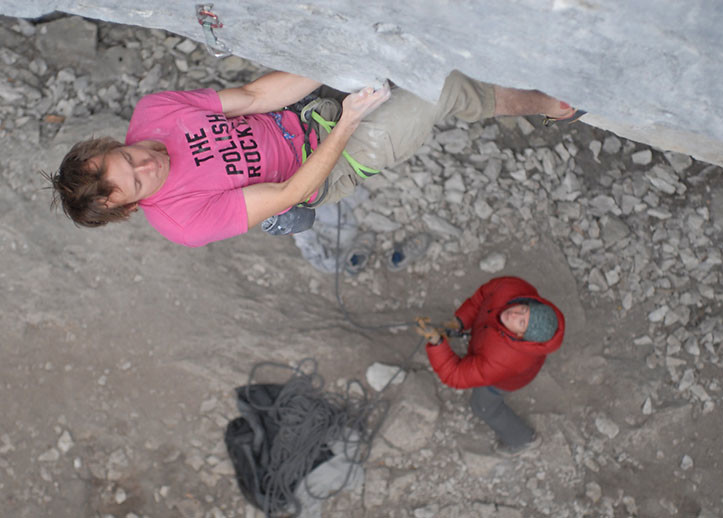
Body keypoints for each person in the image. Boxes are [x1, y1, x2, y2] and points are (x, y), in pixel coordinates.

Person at [48, 70, 583, 247]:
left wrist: (330, 60)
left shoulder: (155, 112)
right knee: (433, 90)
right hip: (331, 164)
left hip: (304, 112)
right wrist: (349, 121)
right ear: (133, 207)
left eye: (129, 156)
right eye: (139, 182)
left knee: (399, 63)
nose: (148, 164)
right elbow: (290, 193)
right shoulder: (183, 220)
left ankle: (515, 96)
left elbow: (253, 97)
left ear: (111, 144)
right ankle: (543, 104)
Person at [416, 276, 565, 454]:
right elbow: (483, 296)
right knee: (481, 364)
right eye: (523, 309)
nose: (514, 314)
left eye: (521, 322)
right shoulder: (512, 288)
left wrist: (437, 342)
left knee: (483, 407)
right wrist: (460, 321)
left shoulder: (502, 360)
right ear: (529, 303)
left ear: (521, 336)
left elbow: (455, 375)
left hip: (504, 378)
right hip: (493, 347)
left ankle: (522, 440)